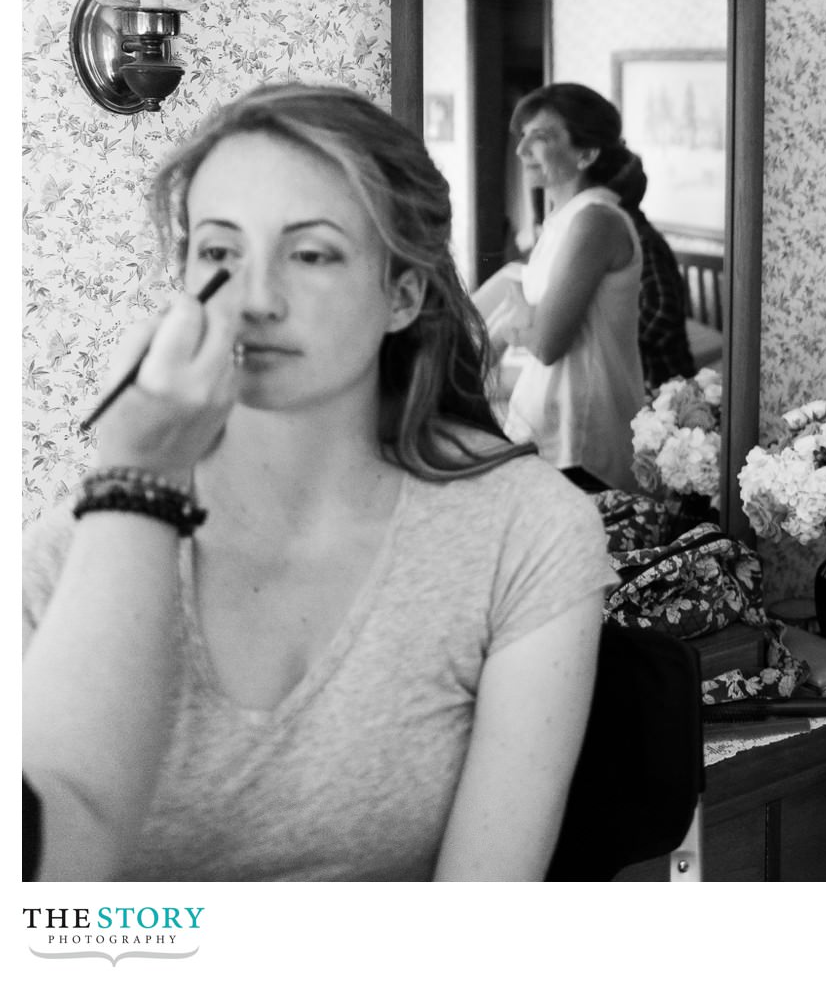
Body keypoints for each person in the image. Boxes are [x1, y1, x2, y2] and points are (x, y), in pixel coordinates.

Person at [22, 83, 611, 881]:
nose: (257, 301)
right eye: (219, 254)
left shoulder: (525, 532)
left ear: (402, 294)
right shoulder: (64, 564)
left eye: (311, 254)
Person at [483, 84, 645, 493]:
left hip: (581, 440)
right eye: (522, 137)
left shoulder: (595, 220)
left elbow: (546, 345)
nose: (521, 153)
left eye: (540, 138)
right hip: (549, 427)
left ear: (586, 154)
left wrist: (517, 323)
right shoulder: (562, 221)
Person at [605, 153, 697, 390]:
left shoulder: (642, 242)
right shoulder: (630, 237)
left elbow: (662, 311)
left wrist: (615, 339)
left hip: (662, 380)